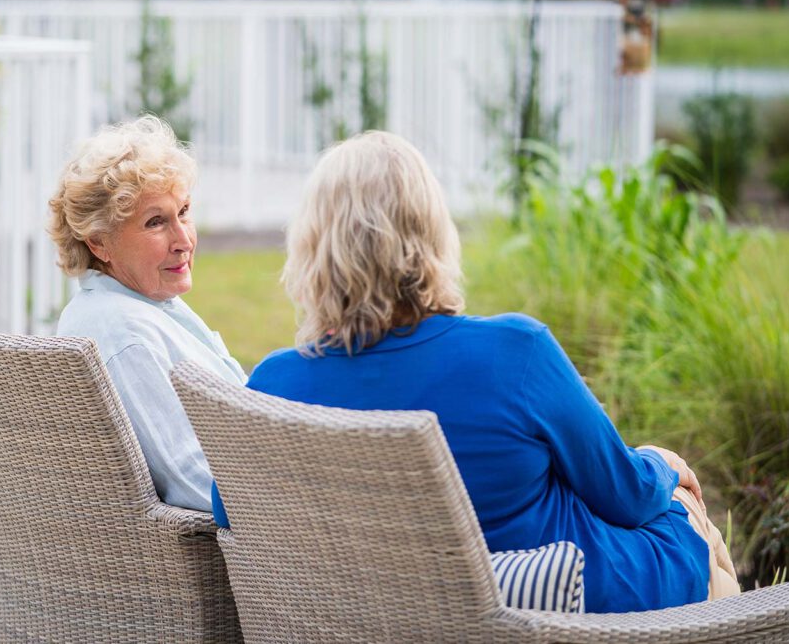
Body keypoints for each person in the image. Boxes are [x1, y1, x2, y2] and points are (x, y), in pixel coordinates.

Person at [211, 130, 740, 614]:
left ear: (312, 248)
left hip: (376, 611)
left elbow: (230, 511)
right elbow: (625, 494)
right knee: (681, 507)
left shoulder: (273, 386)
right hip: (566, 606)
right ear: (431, 235)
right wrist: (664, 464)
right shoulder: (515, 352)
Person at [49, 116, 246, 511]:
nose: (184, 240)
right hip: (247, 549)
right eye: (156, 222)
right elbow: (192, 478)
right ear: (100, 243)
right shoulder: (124, 334)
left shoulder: (135, 302)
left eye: (185, 211)